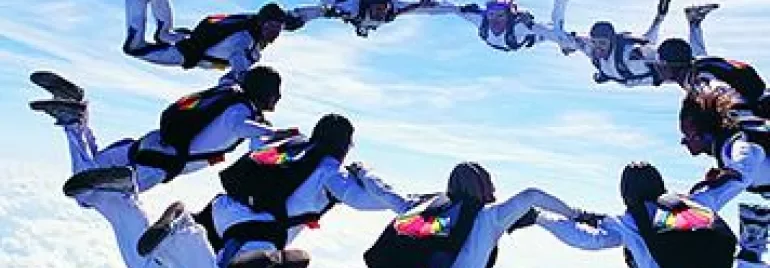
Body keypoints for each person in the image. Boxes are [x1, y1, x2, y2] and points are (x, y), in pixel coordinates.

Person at [136, 114, 415, 268]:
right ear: (344, 145)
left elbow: (254, 149)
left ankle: (182, 220)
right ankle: (262, 261)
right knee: (288, 259)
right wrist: (367, 176)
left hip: (220, 210)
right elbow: (363, 201)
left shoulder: (291, 146)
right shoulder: (332, 172)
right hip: (257, 231)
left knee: (189, 258)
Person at [28, 66, 293, 193]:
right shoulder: (240, 114)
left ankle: (77, 111)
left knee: (92, 166)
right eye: (275, 92)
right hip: (159, 165)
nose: (278, 98)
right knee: (87, 194)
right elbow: (242, 127)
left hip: (150, 142)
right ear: (264, 93)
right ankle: (74, 121)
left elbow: (233, 72)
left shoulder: (227, 90)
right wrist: (275, 134)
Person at [363, 161, 598, 267]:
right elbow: (532, 195)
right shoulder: (492, 217)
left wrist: (362, 172)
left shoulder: (428, 206)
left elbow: (385, 193)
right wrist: (577, 214)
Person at [512, 162, 743, 268]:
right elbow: (727, 188)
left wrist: (539, 218)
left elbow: (589, 240)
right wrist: (725, 176)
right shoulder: (693, 203)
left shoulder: (630, 223)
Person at [677, 88, 770, 266]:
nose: (683, 142)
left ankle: (752, 247)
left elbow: (750, 156)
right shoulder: (729, 144)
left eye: (687, 135)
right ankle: (752, 246)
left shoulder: (735, 143)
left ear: (704, 133)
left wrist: (732, 172)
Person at [123, 0, 302, 83]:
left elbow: (299, 16)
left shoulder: (254, 23)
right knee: (134, 48)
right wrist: (244, 78)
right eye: (271, 27)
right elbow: (238, 57)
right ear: (262, 23)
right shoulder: (244, 39)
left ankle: (163, 32)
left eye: (278, 27)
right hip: (187, 53)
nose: (274, 32)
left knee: (165, 35)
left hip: (193, 39)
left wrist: (319, 11)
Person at [565, 1, 719, 87]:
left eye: (602, 43)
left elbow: (649, 44)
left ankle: (694, 22)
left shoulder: (631, 53)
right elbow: (571, 40)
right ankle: (694, 21)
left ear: (612, 41)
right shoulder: (590, 48)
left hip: (660, 71)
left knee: (698, 68)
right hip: (641, 74)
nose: (598, 47)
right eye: (595, 42)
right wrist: (568, 45)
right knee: (699, 70)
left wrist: (659, 19)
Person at [287, 0, 459, 38]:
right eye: (378, 9)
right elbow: (321, 11)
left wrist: (457, 9)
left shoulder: (393, 8)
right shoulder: (352, 8)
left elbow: (424, 9)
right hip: (347, 9)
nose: (382, 12)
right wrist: (297, 17)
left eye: (383, 8)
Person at [454, 0, 574, 53]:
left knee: (553, 28)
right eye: (491, 15)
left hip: (530, 37)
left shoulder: (519, 27)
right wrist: (458, 9)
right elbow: (450, 8)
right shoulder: (480, 19)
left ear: (509, 17)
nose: (495, 21)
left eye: (500, 16)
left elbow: (550, 33)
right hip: (514, 38)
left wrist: (566, 42)